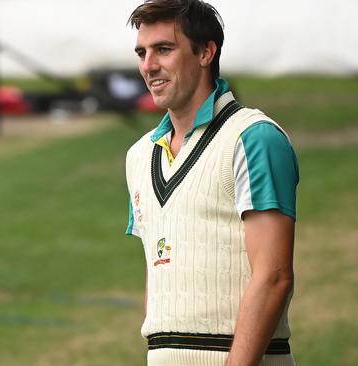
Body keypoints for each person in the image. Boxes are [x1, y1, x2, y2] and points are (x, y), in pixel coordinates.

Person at [124, 1, 299, 365]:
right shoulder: (138, 156)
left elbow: (274, 276)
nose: (148, 65)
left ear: (206, 52)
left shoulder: (254, 138)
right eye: (142, 52)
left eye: (164, 49)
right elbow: (158, 278)